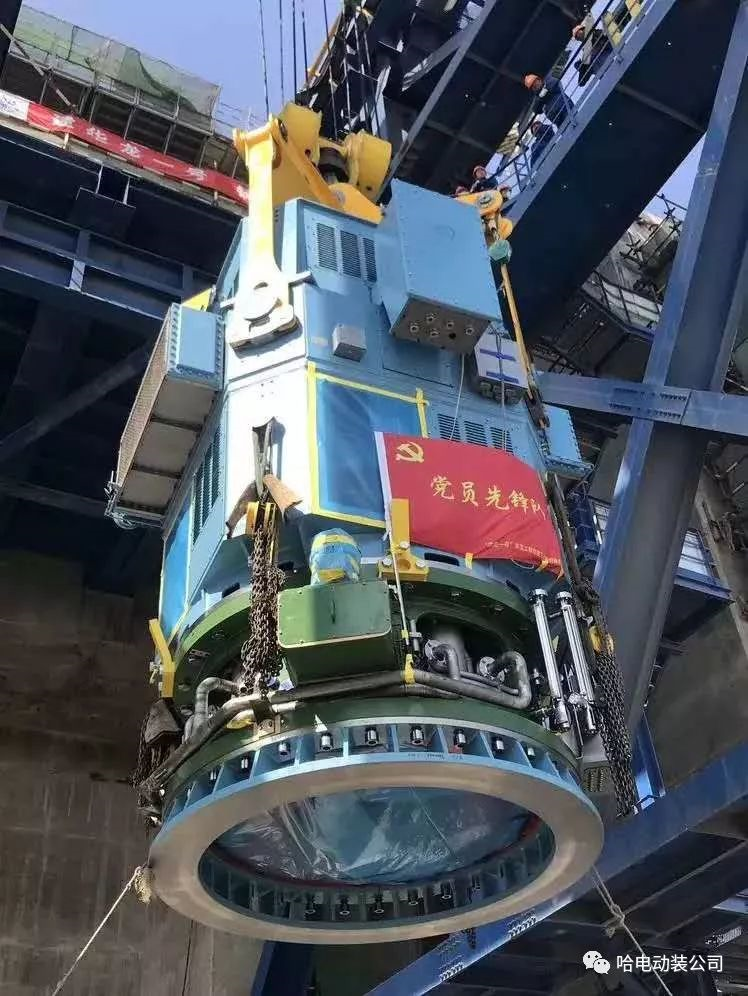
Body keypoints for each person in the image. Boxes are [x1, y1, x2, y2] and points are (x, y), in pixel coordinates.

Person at [572, 16, 611, 86]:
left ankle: (584, 71)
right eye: (577, 37)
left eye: (579, 33)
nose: (580, 38)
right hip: (599, 66)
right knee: (579, 65)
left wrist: (594, 48)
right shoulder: (585, 48)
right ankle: (583, 71)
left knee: (588, 63)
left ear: (583, 29)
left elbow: (605, 40)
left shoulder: (596, 33)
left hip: (607, 54)